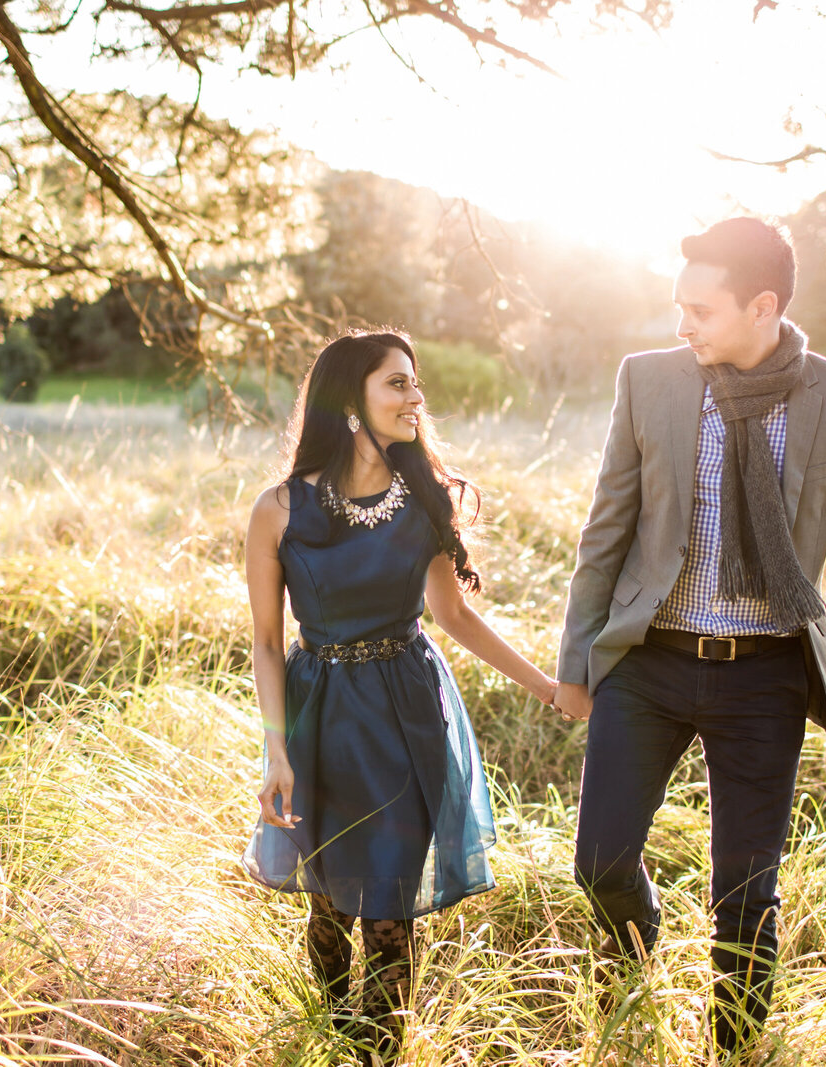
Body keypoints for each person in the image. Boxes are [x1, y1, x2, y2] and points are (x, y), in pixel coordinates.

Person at [553, 218, 826, 1058]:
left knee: (745, 894)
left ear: (763, 305)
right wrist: (576, 663)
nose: (682, 325)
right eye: (677, 306)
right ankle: (630, 990)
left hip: (764, 676)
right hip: (647, 662)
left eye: (700, 308)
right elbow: (605, 532)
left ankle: (731, 1049)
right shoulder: (649, 380)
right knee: (601, 864)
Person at [242, 329, 558, 1062]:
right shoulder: (279, 510)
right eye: (397, 384)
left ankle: (377, 1053)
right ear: (351, 402)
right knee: (328, 910)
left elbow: (455, 617)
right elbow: (264, 642)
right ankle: (334, 1032)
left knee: (389, 915)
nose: (416, 397)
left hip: (407, 717)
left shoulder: (425, 499)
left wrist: (547, 688)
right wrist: (276, 751)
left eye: (416, 383)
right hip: (321, 718)